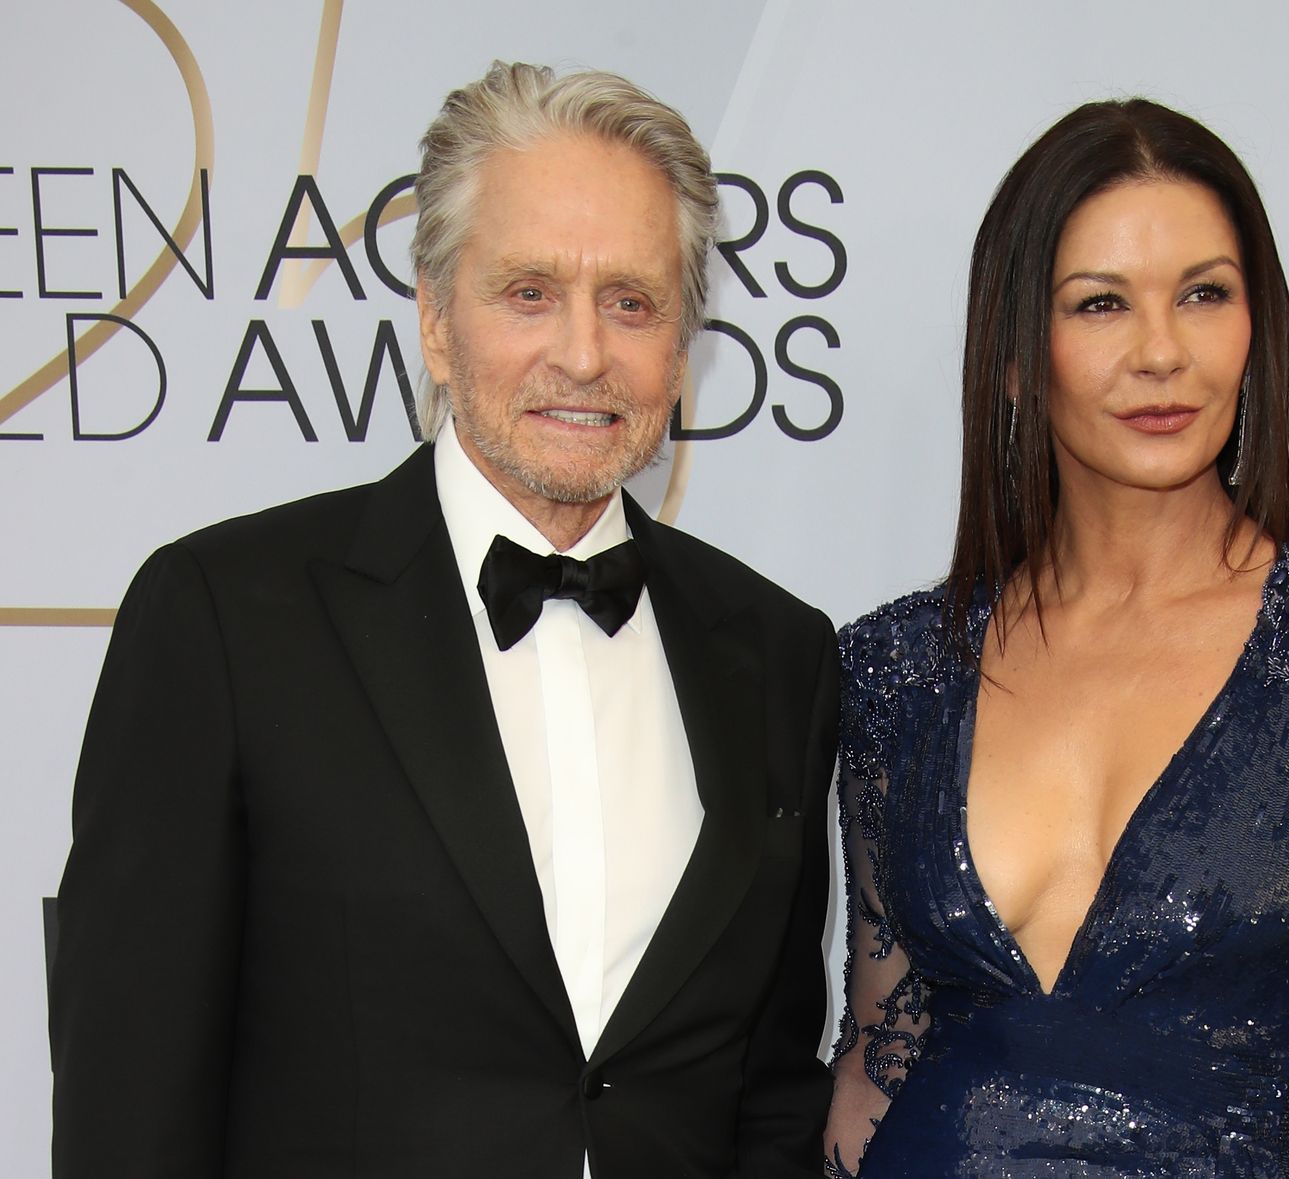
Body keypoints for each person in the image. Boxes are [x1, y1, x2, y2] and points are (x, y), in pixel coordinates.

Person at [50, 62, 837, 1179]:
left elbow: (767, 1096)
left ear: (682, 340)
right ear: (432, 318)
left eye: (631, 300)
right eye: (528, 293)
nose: (582, 352)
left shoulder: (777, 653)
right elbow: (130, 1106)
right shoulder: (224, 621)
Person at [824, 98, 1289, 1178]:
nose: (1162, 353)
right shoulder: (900, 666)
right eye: (1099, 305)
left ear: (1254, 326)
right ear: (1016, 356)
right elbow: (877, 1055)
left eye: (1203, 295)